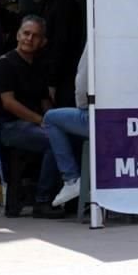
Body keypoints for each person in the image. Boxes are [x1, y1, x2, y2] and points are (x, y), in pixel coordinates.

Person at [0, 15, 63, 219]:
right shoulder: (4, 64)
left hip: (33, 125)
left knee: (64, 136)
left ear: (43, 42)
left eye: (36, 36)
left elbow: (45, 101)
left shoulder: (38, 66)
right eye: (26, 33)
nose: (29, 39)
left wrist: (57, 120)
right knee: (55, 141)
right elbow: (9, 103)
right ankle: (43, 200)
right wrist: (42, 122)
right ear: (17, 35)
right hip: (9, 126)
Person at [32, 0, 84, 108]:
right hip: (52, 78)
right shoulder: (48, 3)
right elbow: (22, 17)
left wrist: (52, 81)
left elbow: (61, 45)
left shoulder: (64, 5)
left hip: (63, 81)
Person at [43, 45, 89, 207]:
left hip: (101, 118)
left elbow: (83, 84)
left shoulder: (97, 36)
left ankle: (71, 180)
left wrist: (82, 105)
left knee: (50, 118)